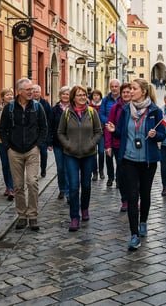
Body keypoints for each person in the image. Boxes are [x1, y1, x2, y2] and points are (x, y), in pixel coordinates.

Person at [106, 78, 165, 251]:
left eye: (134, 88)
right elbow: (121, 133)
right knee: (132, 196)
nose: (130, 91)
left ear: (143, 91)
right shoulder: (125, 110)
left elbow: (162, 134)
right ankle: (134, 235)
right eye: (130, 88)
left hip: (148, 160)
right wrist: (113, 131)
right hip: (129, 159)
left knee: (145, 194)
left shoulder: (155, 111)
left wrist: (156, 134)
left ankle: (144, 222)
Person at [0, 78, 48, 231]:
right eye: (28, 90)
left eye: (32, 89)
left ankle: (32, 215)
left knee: (32, 182)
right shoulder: (10, 108)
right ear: (19, 91)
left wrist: (38, 146)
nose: (31, 92)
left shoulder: (37, 107)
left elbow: (43, 128)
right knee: (18, 185)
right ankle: (21, 215)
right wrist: (8, 147)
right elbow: (3, 129)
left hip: (32, 150)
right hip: (14, 151)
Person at [57, 85, 102, 232]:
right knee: (74, 186)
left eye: (84, 95)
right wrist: (68, 145)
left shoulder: (91, 112)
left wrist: (91, 144)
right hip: (71, 155)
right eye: (79, 95)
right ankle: (74, 217)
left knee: (86, 185)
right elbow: (60, 132)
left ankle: (85, 208)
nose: (82, 97)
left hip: (88, 154)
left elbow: (98, 131)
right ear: (73, 98)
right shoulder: (67, 113)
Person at [104, 82, 132, 212]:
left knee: (133, 174)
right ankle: (125, 200)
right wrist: (108, 145)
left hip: (133, 145)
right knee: (121, 173)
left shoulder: (136, 107)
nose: (126, 94)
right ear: (121, 94)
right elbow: (109, 127)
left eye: (128, 92)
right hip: (118, 145)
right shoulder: (116, 108)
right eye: (124, 92)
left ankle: (133, 199)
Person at [99, 79, 121, 186]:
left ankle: (118, 179)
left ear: (119, 87)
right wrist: (108, 122)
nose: (114, 88)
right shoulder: (106, 100)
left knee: (119, 157)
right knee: (108, 156)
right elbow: (101, 113)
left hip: (119, 131)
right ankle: (110, 177)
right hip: (108, 130)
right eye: (112, 86)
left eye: (116, 86)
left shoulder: (123, 99)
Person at [51, 86, 71, 201]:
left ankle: (68, 192)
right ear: (60, 95)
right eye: (63, 94)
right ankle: (62, 189)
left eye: (67, 94)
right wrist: (49, 141)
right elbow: (51, 125)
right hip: (58, 143)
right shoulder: (55, 109)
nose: (65, 96)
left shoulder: (73, 108)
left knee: (69, 168)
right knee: (60, 168)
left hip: (70, 143)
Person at [32, 84, 54, 177]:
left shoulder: (45, 103)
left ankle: (43, 169)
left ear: (40, 93)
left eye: (37, 92)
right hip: (32, 134)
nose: (35, 94)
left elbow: (50, 120)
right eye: (34, 92)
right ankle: (33, 172)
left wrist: (49, 140)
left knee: (43, 154)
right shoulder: (29, 103)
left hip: (43, 134)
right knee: (33, 155)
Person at [89, 89, 105, 181]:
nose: (96, 97)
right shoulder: (89, 106)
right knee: (93, 154)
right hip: (92, 134)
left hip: (102, 133)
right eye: (94, 95)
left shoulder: (103, 106)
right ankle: (94, 172)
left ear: (100, 96)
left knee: (101, 152)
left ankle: (101, 170)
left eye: (98, 95)